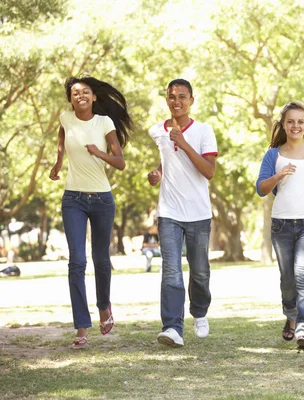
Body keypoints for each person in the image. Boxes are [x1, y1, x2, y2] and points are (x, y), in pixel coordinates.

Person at [49, 76, 133, 349]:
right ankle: (82, 327)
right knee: (77, 262)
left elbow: (120, 162)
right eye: (75, 93)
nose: (80, 95)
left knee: (101, 260)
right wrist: (59, 161)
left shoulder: (104, 123)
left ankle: (104, 307)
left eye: (85, 92)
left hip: (101, 199)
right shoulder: (65, 118)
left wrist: (99, 152)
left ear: (94, 97)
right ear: (70, 98)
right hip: (73, 198)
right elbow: (62, 137)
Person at [256, 101, 304, 350]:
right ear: (284, 124)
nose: (296, 126)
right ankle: (291, 316)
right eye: (291, 121)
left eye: (300, 121)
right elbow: (261, 188)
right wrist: (278, 176)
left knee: (303, 275)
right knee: (288, 280)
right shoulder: (273, 155)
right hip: (282, 226)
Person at [147, 79, 218, 348]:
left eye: (182, 96)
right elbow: (168, 162)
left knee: (199, 272)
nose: (176, 101)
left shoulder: (203, 130)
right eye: (171, 96)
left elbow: (209, 171)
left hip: (198, 212)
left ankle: (199, 312)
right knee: (171, 271)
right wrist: (158, 173)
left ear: (191, 100)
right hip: (169, 211)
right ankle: (172, 327)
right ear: (166, 99)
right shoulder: (157, 130)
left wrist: (184, 142)